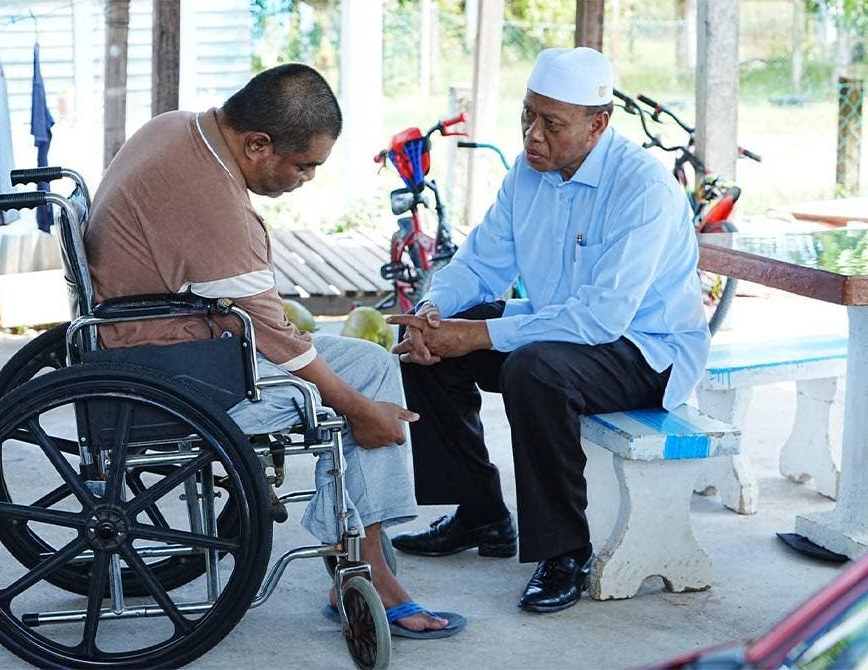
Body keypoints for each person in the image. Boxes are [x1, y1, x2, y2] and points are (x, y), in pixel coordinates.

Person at [85, 63, 464, 638]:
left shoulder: (177, 129)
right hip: (175, 378)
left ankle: (360, 559)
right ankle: (368, 571)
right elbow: (275, 337)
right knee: (361, 395)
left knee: (373, 365)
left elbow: (263, 322)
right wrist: (361, 414)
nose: (308, 177)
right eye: (304, 164)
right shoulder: (208, 199)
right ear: (257, 145)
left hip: (163, 345)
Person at [387, 47, 711, 614]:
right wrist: (434, 310)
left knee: (533, 370)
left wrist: (480, 335)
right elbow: (482, 263)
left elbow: (602, 318)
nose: (533, 135)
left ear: (599, 124)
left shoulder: (643, 189)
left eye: (552, 124)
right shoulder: (527, 175)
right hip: (560, 328)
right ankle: (480, 514)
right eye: (527, 116)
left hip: (644, 349)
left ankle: (565, 551)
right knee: (425, 349)